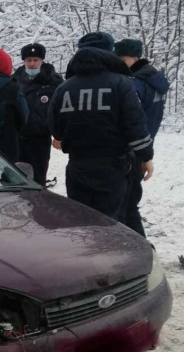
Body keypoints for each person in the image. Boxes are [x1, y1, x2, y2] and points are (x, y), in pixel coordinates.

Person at [47, 31, 153, 221]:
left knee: (80, 222)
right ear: (109, 52)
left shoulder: (64, 87)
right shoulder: (122, 84)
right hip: (113, 167)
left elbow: (56, 129)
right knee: (110, 223)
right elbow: (135, 125)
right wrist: (146, 156)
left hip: (77, 166)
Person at [115, 38, 170, 237]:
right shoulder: (154, 80)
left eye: (122, 58)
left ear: (135, 58)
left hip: (130, 149)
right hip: (143, 144)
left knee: (124, 205)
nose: (119, 63)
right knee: (130, 203)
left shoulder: (135, 83)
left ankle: (138, 250)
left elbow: (129, 119)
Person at [12, 43, 63, 186]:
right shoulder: (14, 81)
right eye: (29, 60)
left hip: (41, 137)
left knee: (38, 176)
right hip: (18, 137)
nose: (32, 64)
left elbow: (60, 110)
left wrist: (59, 135)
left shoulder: (53, 81)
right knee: (18, 178)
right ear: (24, 61)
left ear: (42, 61)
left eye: (36, 60)